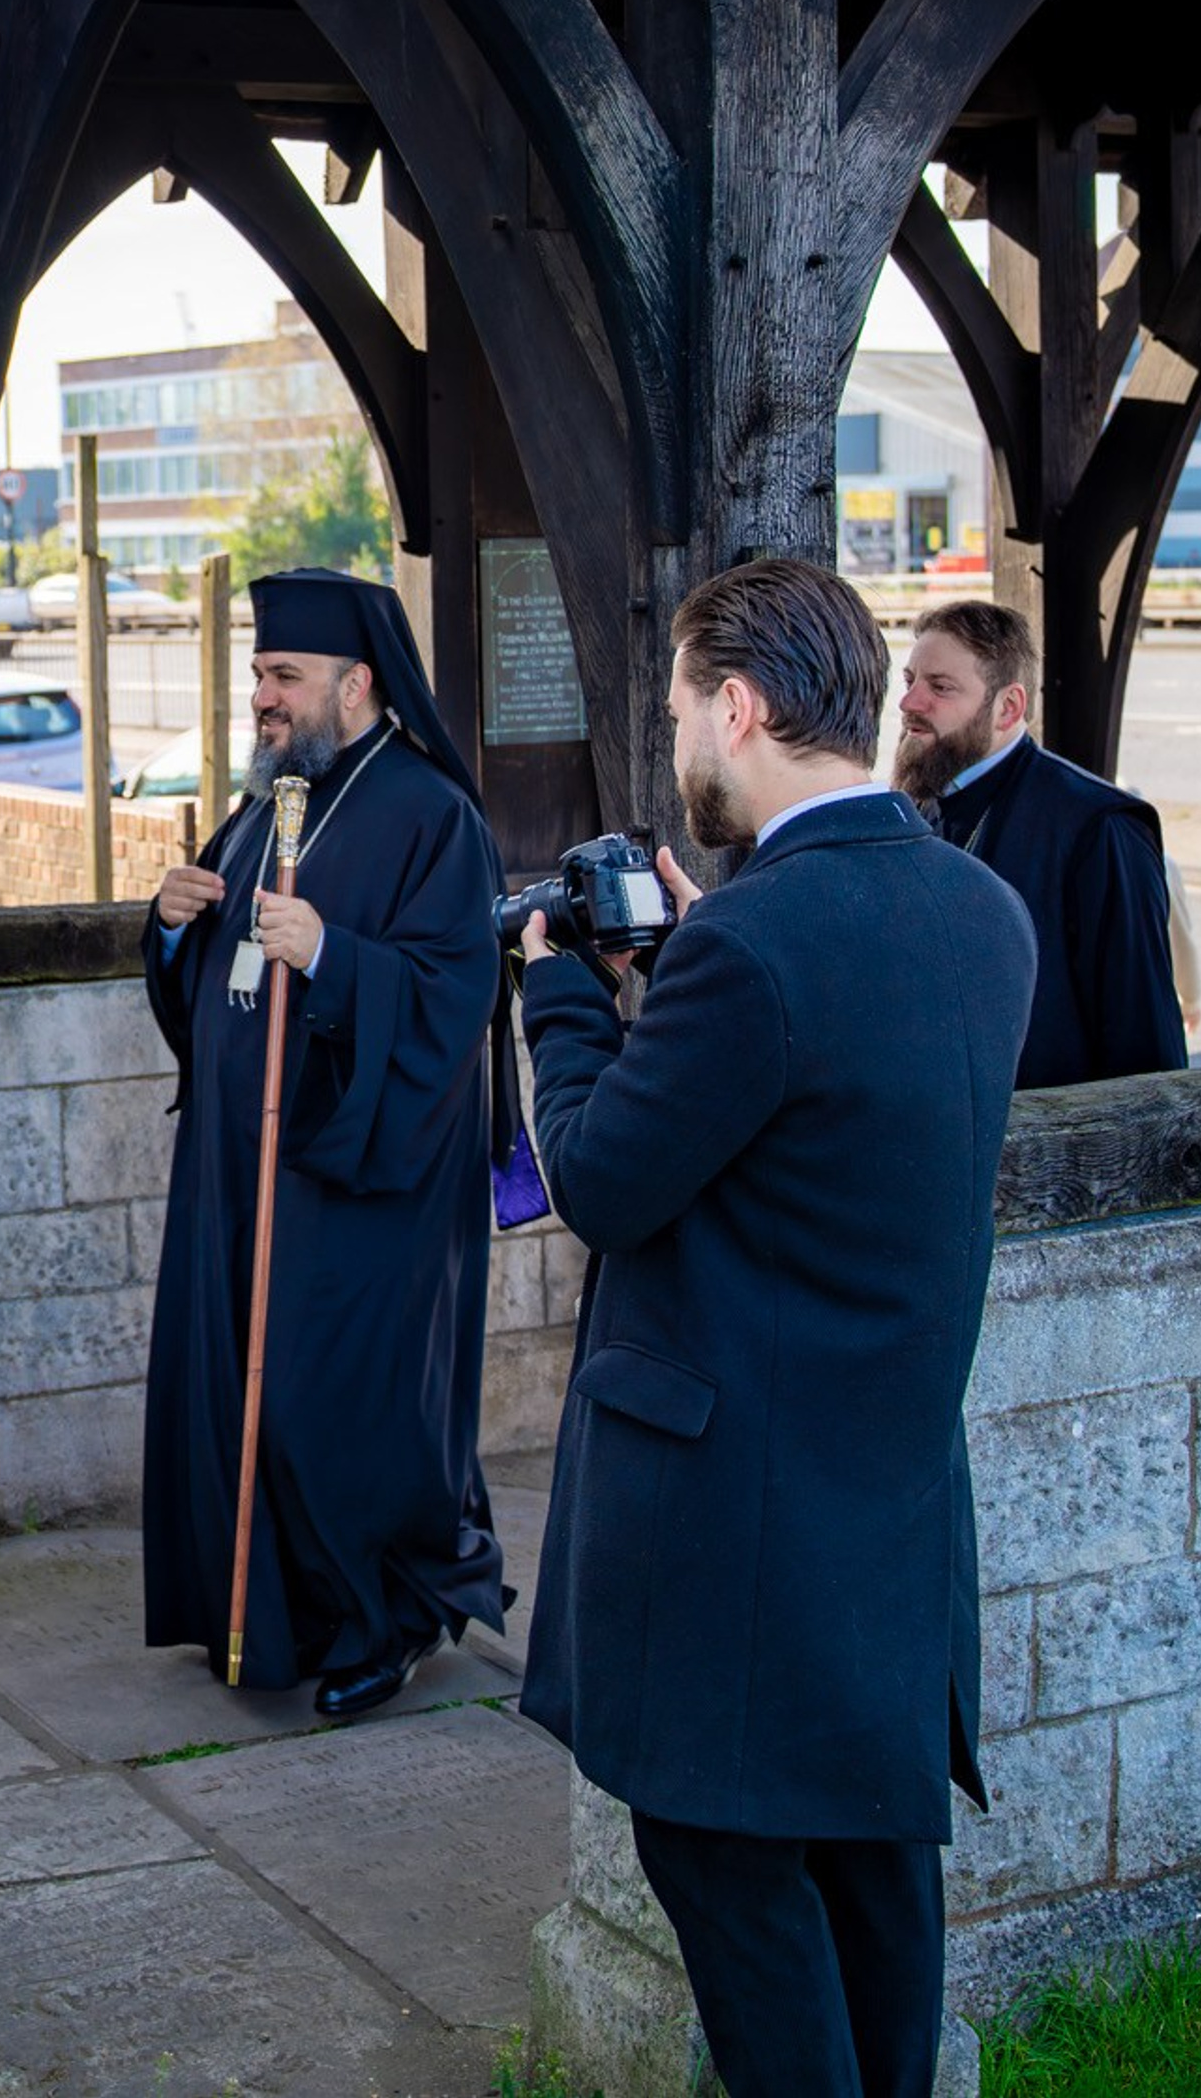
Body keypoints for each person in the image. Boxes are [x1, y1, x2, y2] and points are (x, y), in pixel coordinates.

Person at [520, 558, 1034, 2098]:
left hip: (744, 1526)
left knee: (732, 1878)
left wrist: (557, 999)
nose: (680, 743)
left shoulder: (749, 947)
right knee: (876, 1876)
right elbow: (820, 1123)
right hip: (891, 1509)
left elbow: (606, 1183)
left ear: (736, 707)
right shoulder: (980, 910)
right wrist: (684, 975)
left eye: (683, 707)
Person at [141, 567, 505, 1718]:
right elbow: (221, 982)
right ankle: (271, 1614)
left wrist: (337, 957)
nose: (263, 697)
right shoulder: (264, 807)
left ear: (357, 683)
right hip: (238, 1170)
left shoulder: (432, 816)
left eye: (283, 676)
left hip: (360, 1179)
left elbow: (459, 992)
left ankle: (384, 1619)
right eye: (257, 674)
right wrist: (166, 928)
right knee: (237, 1386)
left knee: (328, 1399)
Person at [896, 599, 1182, 1087]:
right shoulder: (919, 807)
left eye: (939, 688)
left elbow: (1145, 1047)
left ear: (1008, 707)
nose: (909, 704)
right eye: (910, 682)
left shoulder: (1099, 827)